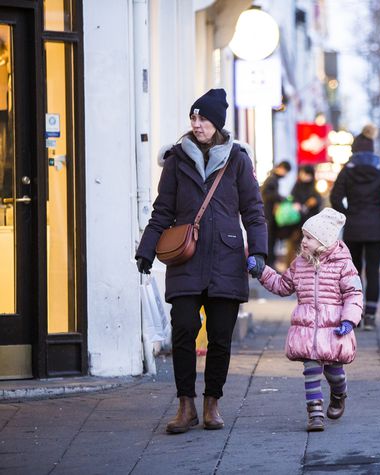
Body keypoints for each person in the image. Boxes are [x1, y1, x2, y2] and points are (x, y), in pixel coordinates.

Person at [135, 88, 267, 434]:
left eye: (203, 118)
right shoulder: (177, 160)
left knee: (221, 335)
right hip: (186, 259)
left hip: (226, 257)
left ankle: (212, 403)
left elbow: (253, 211)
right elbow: (162, 210)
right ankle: (185, 405)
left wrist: (259, 253)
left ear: (217, 123)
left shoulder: (238, 160)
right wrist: (147, 249)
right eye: (193, 118)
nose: (196, 124)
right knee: (183, 329)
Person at [248, 208, 362, 432]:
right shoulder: (299, 264)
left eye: (309, 237)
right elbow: (283, 286)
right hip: (307, 328)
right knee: (311, 369)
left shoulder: (343, 265)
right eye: (304, 236)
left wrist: (349, 320)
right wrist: (262, 273)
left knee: (334, 373)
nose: (304, 242)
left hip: (333, 329)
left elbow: (354, 294)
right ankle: (315, 412)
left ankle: (339, 393)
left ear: (323, 241)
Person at [330, 124, 380, 330]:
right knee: (373, 271)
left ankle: (354, 313)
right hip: (376, 228)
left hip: (354, 228)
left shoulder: (346, 173)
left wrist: (347, 215)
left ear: (354, 150)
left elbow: (335, 197)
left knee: (354, 272)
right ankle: (371, 318)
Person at [284, 164, 322, 264]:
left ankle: (307, 268)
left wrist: (313, 202)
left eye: (307, 174)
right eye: (303, 173)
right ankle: (292, 267)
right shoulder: (297, 185)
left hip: (310, 224)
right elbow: (291, 199)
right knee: (294, 245)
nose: (305, 176)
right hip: (296, 223)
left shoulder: (314, 187)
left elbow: (318, 200)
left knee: (310, 247)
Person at [261, 160, 292, 267]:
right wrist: (281, 198)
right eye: (286, 171)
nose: (286, 174)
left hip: (269, 216)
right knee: (270, 241)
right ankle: (269, 265)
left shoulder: (273, 179)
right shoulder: (272, 180)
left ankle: (270, 265)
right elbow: (266, 195)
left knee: (271, 241)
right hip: (268, 216)